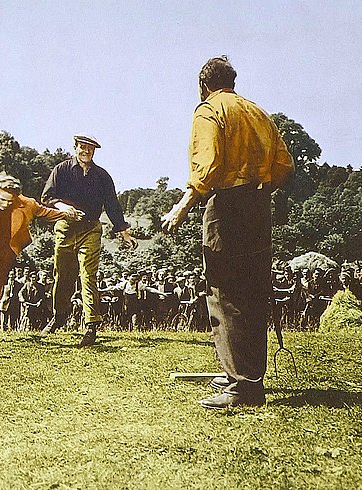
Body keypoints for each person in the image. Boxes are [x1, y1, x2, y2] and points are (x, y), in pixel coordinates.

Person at [161, 56, 294, 409]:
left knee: (225, 291)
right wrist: (258, 193)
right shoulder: (257, 112)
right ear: (232, 81)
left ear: (204, 85)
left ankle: (242, 388)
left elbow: (207, 166)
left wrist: (181, 207)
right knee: (252, 292)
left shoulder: (209, 110)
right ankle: (247, 375)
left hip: (228, 207)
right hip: (259, 205)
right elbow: (284, 165)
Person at [0, 170, 75, 341]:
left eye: (10, 201)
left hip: (3, 247)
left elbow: (45, 212)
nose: (6, 204)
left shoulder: (26, 203)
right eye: (2, 199)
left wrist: (66, 214)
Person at [41, 133, 137, 346]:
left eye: (91, 149)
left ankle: (91, 325)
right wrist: (62, 206)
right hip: (65, 227)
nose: (86, 152)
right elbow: (47, 197)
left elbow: (112, 205)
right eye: (83, 148)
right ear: (75, 148)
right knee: (63, 276)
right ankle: (58, 317)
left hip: (91, 229)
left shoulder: (102, 176)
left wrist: (123, 231)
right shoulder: (62, 170)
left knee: (88, 274)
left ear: (94, 151)